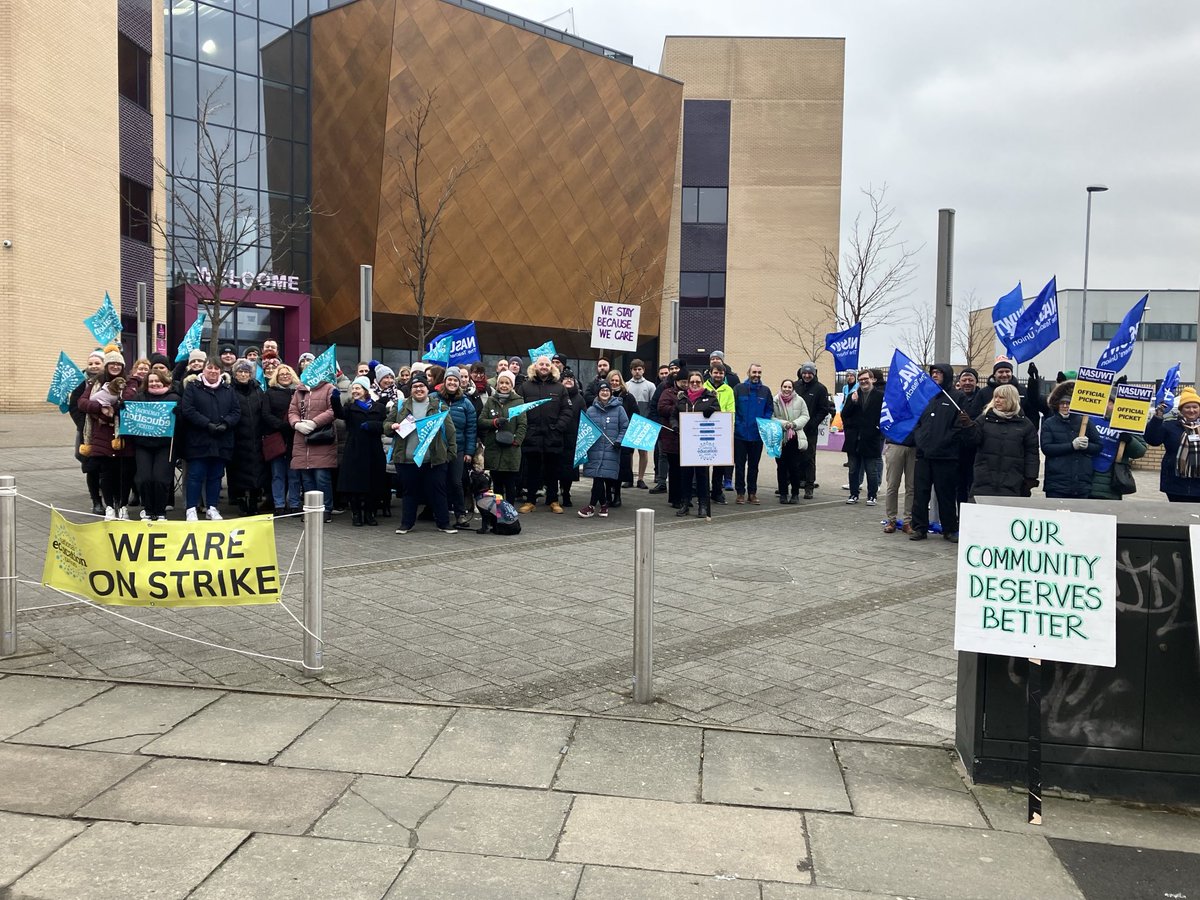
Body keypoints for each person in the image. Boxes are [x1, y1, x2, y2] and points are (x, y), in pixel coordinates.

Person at [387, 373, 458, 534]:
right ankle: (406, 524)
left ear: (427, 388)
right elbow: (386, 425)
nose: (419, 389)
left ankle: (443, 523)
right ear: (410, 389)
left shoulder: (439, 406)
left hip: (433, 459)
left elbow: (450, 431)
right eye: (415, 386)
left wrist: (450, 454)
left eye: (422, 386)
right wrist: (392, 426)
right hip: (407, 459)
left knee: (438, 492)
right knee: (409, 493)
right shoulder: (400, 406)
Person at [910, 363, 968, 543]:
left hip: (946, 456)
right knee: (920, 494)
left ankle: (949, 529)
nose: (935, 376)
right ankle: (919, 528)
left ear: (948, 376)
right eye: (933, 373)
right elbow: (918, 422)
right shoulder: (925, 397)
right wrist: (920, 440)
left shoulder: (957, 397)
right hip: (924, 456)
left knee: (946, 495)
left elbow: (959, 426)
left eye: (939, 373)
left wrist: (944, 441)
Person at [80, 346, 139, 519]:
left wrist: (110, 411)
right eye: (111, 364)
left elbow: (127, 402)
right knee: (106, 474)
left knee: (125, 474)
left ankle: (122, 506)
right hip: (102, 436)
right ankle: (109, 508)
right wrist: (100, 408)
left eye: (118, 364)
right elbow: (82, 403)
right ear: (106, 366)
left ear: (123, 366)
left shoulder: (130, 382)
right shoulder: (95, 383)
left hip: (124, 435)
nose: (115, 367)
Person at [180, 356, 240, 521]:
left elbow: (236, 411)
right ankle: (191, 508)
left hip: (222, 440)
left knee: (216, 476)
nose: (213, 371)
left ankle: (212, 508)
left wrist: (226, 424)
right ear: (203, 369)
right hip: (198, 440)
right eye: (210, 368)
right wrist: (206, 424)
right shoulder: (193, 387)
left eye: (216, 368)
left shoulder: (228, 389)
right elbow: (188, 410)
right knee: (195, 475)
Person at [962, 384, 1039, 499]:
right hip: (984, 481)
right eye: (995, 397)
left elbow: (1032, 453)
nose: (997, 400)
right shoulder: (984, 419)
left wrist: (1030, 478)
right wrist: (968, 426)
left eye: (1001, 397)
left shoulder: (1025, 424)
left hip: (1012, 482)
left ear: (1012, 399)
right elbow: (972, 441)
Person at [516, 355, 570, 514]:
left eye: (547, 364)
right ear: (535, 367)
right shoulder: (525, 387)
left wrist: (558, 427)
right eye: (541, 364)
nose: (544, 367)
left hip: (553, 436)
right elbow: (519, 410)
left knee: (553, 471)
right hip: (532, 436)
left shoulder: (560, 388)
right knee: (532, 471)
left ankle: (553, 500)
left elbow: (567, 411)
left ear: (551, 367)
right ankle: (530, 501)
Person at [288, 368, 338, 523]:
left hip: (321, 438)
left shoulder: (329, 388)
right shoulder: (299, 390)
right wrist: (296, 423)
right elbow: (292, 411)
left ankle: (326, 509)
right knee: (307, 478)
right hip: (302, 440)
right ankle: (310, 509)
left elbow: (333, 410)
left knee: (322, 477)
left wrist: (315, 422)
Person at [1040, 379, 1102, 499]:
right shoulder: (1049, 423)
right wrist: (1071, 446)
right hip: (1057, 483)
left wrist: (1087, 446)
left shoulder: (1085, 422)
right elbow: (1047, 448)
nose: (1065, 406)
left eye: (1068, 403)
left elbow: (1098, 446)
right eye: (1062, 403)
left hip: (1081, 482)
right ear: (1057, 404)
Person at [338, 376, 387, 526]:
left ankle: (369, 513)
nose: (354, 391)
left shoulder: (379, 407)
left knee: (373, 482)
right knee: (355, 484)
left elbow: (386, 425)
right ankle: (356, 513)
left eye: (358, 388)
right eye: (353, 388)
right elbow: (339, 414)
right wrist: (334, 400)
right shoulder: (349, 407)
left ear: (366, 390)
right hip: (355, 449)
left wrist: (373, 425)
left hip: (374, 449)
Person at [132, 369, 179, 521]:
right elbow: (131, 419)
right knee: (144, 478)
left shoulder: (174, 398)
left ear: (164, 381)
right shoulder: (139, 398)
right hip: (143, 444)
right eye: (151, 381)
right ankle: (147, 509)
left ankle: (160, 511)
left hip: (165, 445)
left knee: (161, 479)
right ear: (146, 383)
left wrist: (180, 413)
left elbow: (184, 422)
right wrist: (123, 410)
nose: (154, 383)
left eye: (157, 380)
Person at [671, 371, 719, 519]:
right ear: (688, 383)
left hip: (703, 443)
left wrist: (713, 410)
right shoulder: (682, 399)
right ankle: (685, 503)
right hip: (686, 442)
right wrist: (675, 426)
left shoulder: (710, 398)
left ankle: (703, 505)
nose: (695, 384)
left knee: (702, 475)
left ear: (702, 382)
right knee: (685, 475)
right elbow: (674, 415)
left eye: (698, 382)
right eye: (692, 382)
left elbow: (719, 414)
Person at [477, 371, 527, 511]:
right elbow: (481, 421)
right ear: (497, 384)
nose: (504, 386)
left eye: (507, 383)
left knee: (510, 484)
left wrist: (517, 440)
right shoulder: (491, 401)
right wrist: (494, 422)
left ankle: (509, 512)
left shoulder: (519, 401)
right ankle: (498, 512)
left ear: (511, 385)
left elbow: (523, 424)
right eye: (501, 383)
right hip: (494, 448)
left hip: (511, 449)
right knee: (497, 484)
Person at [578, 382, 629, 518]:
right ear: (598, 393)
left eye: (607, 390)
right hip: (595, 449)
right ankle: (604, 506)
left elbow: (625, 427)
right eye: (602, 390)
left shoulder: (619, 409)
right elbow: (586, 429)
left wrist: (619, 441)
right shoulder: (591, 410)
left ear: (611, 393)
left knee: (600, 477)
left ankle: (591, 506)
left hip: (611, 449)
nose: (605, 393)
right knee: (598, 477)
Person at [1145, 386, 1200, 502]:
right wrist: (1157, 418)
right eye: (1187, 407)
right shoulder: (1170, 426)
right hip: (1175, 483)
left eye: (1195, 407)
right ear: (1181, 410)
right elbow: (1152, 440)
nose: (1191, 410)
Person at [227, 359, 267, 515]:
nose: (243, 375)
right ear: (235, 373)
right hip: (237, 437)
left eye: (246, 372)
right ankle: (241, 501)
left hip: (256, 436)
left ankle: (253, 501)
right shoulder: (230, 390)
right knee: (238, 471)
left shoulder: (258, 390)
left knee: (257, 471)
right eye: (240, 372)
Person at [1090, 395, 1147, 501]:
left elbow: (1140, 451)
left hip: (1111, 481)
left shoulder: (1127, 424)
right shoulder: (1088, 420)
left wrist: (1129, 440)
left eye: (1109, 403)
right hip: (1087, 479)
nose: (1105, 406)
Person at [840, 368, 884, 506]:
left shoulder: (880, 396)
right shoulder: (853, 395)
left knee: (871, 470)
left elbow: (884, 417)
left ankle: (872, 495)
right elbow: (844, 415)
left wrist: (878, 430)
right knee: (853, 469)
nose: (864, 382)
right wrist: (852, 403)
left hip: (871, 439)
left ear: (872, 380)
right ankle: (853, 494)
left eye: (866, 379)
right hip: (854, 439)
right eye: (861, 380)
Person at [70, 349, 106, 514]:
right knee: (91, 467)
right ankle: (96, 501)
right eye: (91, 363)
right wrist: (83, 422)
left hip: (107, 430)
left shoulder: (109, 382)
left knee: (108, 467)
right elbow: (74, 407)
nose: (93, 366)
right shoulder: (81, 385)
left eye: (97, 363)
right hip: (88, 432)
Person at [262, 364, 301, 514]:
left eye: (287, 374)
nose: (285, 376)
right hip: (277, 437)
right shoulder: (270, 393)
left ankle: (294, 503)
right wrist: (282, 425)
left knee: (294, 474)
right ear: (276, 377)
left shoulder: (298, 392)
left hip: (295, 437)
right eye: (281, 374)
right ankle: (279, 504)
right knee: (277, 473)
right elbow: (266, 414)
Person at [732, 363, 773, 504]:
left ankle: (752, 493)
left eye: (759, 372)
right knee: (740, 465)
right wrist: (737, 424)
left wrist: (763, 423)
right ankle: (740, 493)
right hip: (740, 435)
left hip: (756, 435)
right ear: (748, 372)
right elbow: (734, 408)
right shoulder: (739, 389)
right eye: (754, 372)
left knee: (754, 466)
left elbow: (769, 409)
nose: (756, 375)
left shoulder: (765, 391)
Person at [441, 370, 477, 529]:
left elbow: (471, 429)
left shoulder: (466, 403)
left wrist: (469, 452)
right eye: (449, 380)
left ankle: (460, 514)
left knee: (456, 482)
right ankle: (440, 514)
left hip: (459, 448)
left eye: (455, 380)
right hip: (438, 448)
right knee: (439, 483)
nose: (452, 383)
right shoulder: (434, 399)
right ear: (444, 381)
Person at [795, 362, 834, 499]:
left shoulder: (820, 389)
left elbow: (824, 410)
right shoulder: (796, 386)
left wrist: (812, 423)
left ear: (814, 373)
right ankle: (795, 482)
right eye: (804, 373)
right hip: (796, 428)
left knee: (809, 458)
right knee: (794, 456)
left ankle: (809, 487)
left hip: (810, 430)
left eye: (809, 373)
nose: (806, 375)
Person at [772, 378, 810, 503]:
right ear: (781, 387)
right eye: (785, 387)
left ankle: (795, 494)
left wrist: (794, 424)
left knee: (794, 468)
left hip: (795, 438)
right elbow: (771, 417)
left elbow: (805, 416)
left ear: (793, 389)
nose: (787, 389)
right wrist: (785, 424)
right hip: (780, 439)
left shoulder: (800, 400)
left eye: (789, 387)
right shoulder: (775, 400)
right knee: (781, 467)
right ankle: (783, 493)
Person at [648, 359, 682, 494]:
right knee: (663, 455)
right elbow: (655, 405)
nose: (674, 371)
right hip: (665, 428)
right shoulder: (663, 386)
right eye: (671, 368)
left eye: (676, 368)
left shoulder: (687, 384)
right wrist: (656, 423)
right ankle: (661, 482)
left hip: (682, 429)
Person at [955, 367, 987, 503]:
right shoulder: (953, 398)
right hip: (957, 451)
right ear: (960, 382)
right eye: (964, 380)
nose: (967, 383)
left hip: (976, 451)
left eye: (970, 380)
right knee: (959, 488)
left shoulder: (982, 398)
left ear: (976, 382)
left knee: (974, 487)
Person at [656, 370, 688, 508]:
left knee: (686, 470)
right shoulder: (668, 393)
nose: (685, 385)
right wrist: (678, 405)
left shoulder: (691, 393)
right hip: (672, 435)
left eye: (687, 382)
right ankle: (675, 498)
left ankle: (685, 497)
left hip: (688, 436)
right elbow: (661, 408)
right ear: (676, 382)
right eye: (683, 382)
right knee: (674, 469)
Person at [704, 363, 735, 503]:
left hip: (721, 430)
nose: (718, 375)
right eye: (715, 372)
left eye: (721, 373)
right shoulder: (703, 387)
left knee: (719, 464)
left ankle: (717, 492)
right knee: (703, 462)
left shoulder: (728, 390)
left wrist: (728, 428)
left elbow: (731, 410)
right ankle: (703, 492)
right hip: (705, 428)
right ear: (710, 373)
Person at [606, 370, 639, 498]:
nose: (614, 383)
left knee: (620, 469)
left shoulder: (628, 397)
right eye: (612, 381)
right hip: (608, 437)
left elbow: (635, 415)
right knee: (607, 469)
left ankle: (618, 496)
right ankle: (608, 495)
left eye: (617, 381)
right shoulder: (603, 395)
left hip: (622, 438)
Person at [558, 370, 587, 507]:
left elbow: (584, 417)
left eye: (571, 378)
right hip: (557, 436)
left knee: (569, 469)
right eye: (565, 378)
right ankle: (552, 494)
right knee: (555, 467)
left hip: (573, 438)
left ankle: (566, 492)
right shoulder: (557, 395)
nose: (568, 380)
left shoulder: (579, 398)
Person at [626, 359, 656, 489]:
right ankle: (629, 478)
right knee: (629, 452)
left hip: (644, 421)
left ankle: (641, 478)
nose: (637, 372)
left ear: (643, 370)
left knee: (643, 452)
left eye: (639, 369)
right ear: (631, 370)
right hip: (630, 422)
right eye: (634, 369)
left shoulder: (650, 386)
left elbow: (653, 404)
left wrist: (649, 420)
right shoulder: (626, 385)